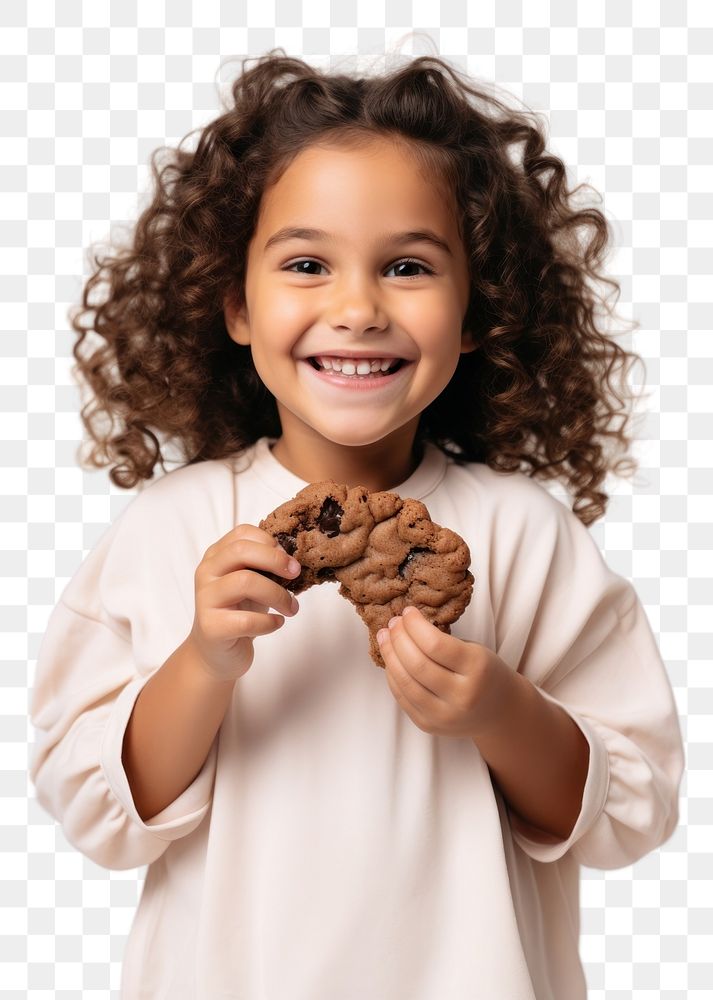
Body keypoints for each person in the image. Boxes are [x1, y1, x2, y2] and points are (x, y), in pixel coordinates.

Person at [29, 48, 684, 999]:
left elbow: (631, 809)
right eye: (305, 263)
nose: (357, 307)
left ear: (473, 315)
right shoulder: (173, 529)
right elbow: (99, 811)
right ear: (234, 304)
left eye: (407, 266)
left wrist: (502, 711)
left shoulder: (522, 536)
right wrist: (203, 661)